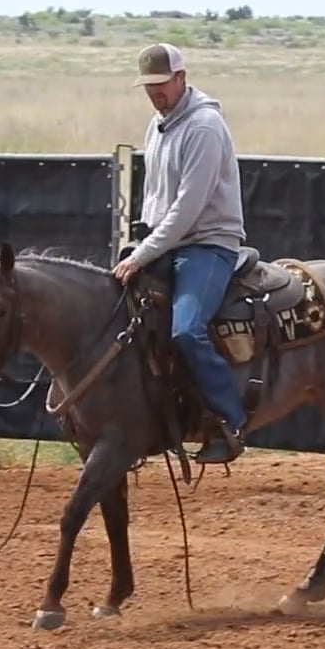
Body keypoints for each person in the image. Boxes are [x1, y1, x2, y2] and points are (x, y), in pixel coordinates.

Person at [111, 42, 249, 464]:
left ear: (181, 79)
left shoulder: (204, 127)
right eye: (149, 86)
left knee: (186, 329)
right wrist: (142, 244)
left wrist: (142, 254)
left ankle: (230, 420)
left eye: (161, 84)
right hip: (169, 242)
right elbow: (156, 197)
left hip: (209, 244)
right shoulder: (158, 126)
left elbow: (188, 208)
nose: (155, 93)